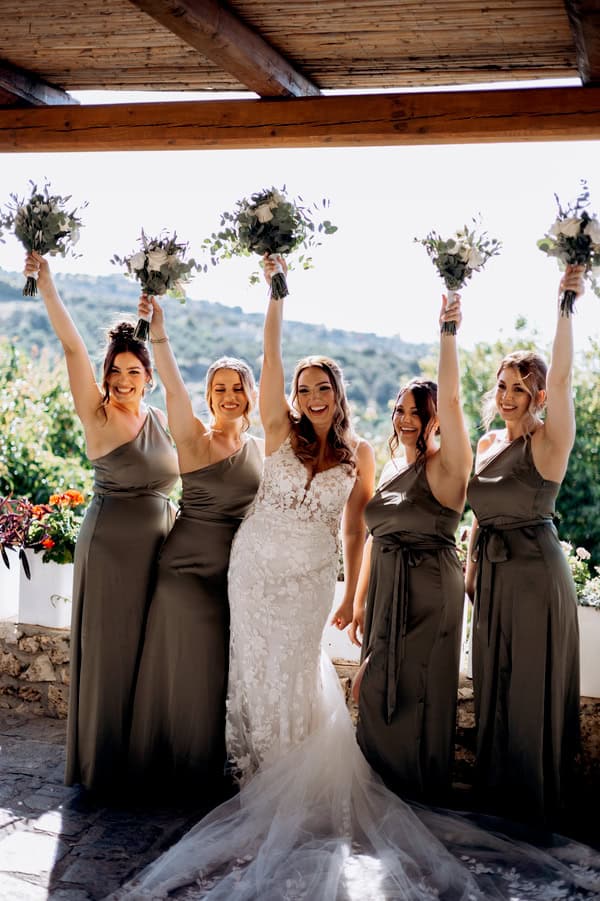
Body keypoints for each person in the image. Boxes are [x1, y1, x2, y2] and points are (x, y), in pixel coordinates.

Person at [117, 261, 600, 901]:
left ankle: (319, 784)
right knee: (252, 672)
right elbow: (268, 360)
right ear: (295, 393)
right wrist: (274, 295)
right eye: (304, 387)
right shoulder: (282, 429)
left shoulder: (362, 453)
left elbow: (356, 532)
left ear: (339, 394)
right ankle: (259, 780)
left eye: (324, 388)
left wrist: (347, 593)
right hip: (256, 568)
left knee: (295, 674)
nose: (313, 396)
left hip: (324, 578)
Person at [23, 251, 179, 795]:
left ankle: (140, 759)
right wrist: (47, 283)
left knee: (147, 650)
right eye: (115, 370)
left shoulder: (161, 418)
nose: (122, 380)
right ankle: (103, 765)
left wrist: (156, 323)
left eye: (133, 372)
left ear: (150, 378)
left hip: (160, 547)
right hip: (112, 544)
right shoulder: (97, 412)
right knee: (112, 650)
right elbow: (71, 345)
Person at [127, 294, 262, 801]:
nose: (228, 396)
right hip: (184, 569)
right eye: (219, 388)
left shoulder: (259, 449)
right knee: (186, 668)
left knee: (214, 679)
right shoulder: (193, 437)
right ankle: (167, 768)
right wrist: (157, 332)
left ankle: (201, 770)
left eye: (237, 388)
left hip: (233, 576)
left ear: (249, 394)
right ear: (209, 396)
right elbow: (172, 381)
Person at [465, 265, 585, 823]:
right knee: (494, 678)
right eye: (503, 386)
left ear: (535, 395)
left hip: (536, 572)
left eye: (521, 388)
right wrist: (470, 573)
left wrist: (564, 303)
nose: (509, 396)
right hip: (490, 575)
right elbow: (475, 515)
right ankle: (495, 796)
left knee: (529, 683)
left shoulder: (550, 442)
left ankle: (532, 804)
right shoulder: (487, 441)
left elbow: (562, 380)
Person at [350, 294, 472, 803]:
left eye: (416, 411)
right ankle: (382, 788)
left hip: (428, 592)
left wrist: (447, 333)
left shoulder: (448, 464)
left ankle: (412, 793)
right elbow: (375, 537)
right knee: (375, 686)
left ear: (435, 417)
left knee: (414, 691)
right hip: (386, 591)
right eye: (399, 409)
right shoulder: (393, 468)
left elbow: (456, 402)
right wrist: (359, 602)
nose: (404, 418)